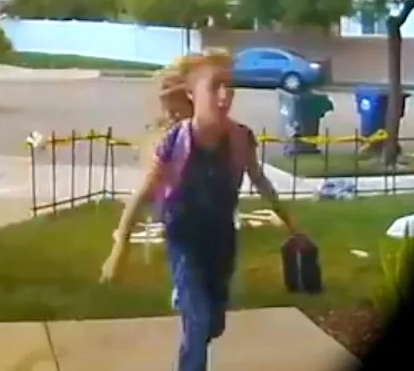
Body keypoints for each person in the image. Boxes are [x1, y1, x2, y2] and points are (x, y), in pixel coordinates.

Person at [99, 49, 302, 371]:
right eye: (215, 86)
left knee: (213, 323)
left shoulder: (240, 138)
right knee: (197, 322)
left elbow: (260, 181)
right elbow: (144, 194)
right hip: (184, 237)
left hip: (221, 237)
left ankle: (191, 302)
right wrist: (120, 247)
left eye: (229, 86)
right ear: (192, 94)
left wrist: (293, 227)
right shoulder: (174, 142)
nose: (225, 96)